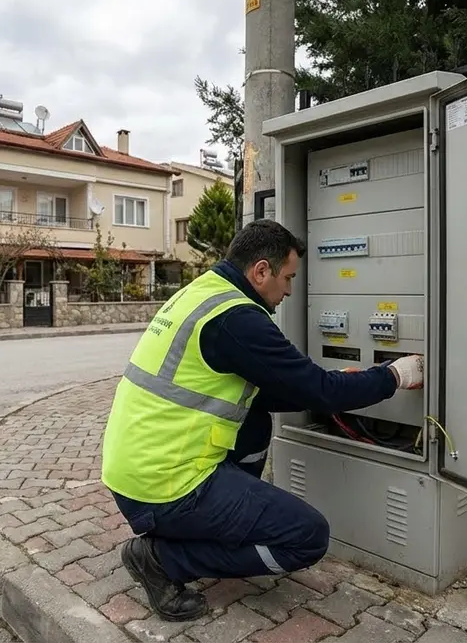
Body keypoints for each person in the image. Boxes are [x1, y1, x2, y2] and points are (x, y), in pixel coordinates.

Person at [100, 219, 424, 622]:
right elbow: (317, 391)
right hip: (165, 487)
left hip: (132, 471)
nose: (289, 291)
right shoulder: (238, 319)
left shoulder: (203, 293)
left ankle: (200, 530)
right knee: (307, 537)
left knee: (255, 422)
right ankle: (163, 558)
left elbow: (274, 391)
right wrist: (393, 375)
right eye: (287, 278)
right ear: (261, 271)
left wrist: (322, 384)